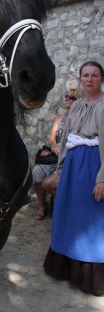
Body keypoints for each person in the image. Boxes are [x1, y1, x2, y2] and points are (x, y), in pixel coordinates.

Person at [43, 61, 104, 296]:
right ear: (80, 79)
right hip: (72, 167)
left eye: (95, 75)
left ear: (101, 80)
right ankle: (67, 268)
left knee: (91, 218)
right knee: (69, 216)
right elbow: (67, 139)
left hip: (93, 166)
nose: (89, 79)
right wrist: (61, 169)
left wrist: (102, 179)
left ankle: (92, 277)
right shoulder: (76, 106)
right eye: (85, 75)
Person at [31, 80, 82, 220]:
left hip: (68, 156)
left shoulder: (80, 118)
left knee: (56, 176)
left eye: (71, 97)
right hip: (56, 154)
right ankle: (42, 205)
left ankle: (64, 206)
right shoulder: (60, 118)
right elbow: (52, 138)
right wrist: (54, 147)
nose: (67, 99)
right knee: (38, 170)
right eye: (66, 96)